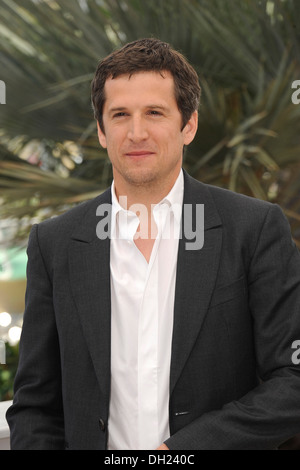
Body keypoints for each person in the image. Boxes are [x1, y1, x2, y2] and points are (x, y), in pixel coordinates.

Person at [6, 38, 300, 450]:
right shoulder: (55, 243)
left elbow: (292, 379)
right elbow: (35, 404)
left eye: (155, 113)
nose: (136, 132)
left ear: (189, 125)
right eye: (120, 114)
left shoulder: (252, 228)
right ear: (102, 131)